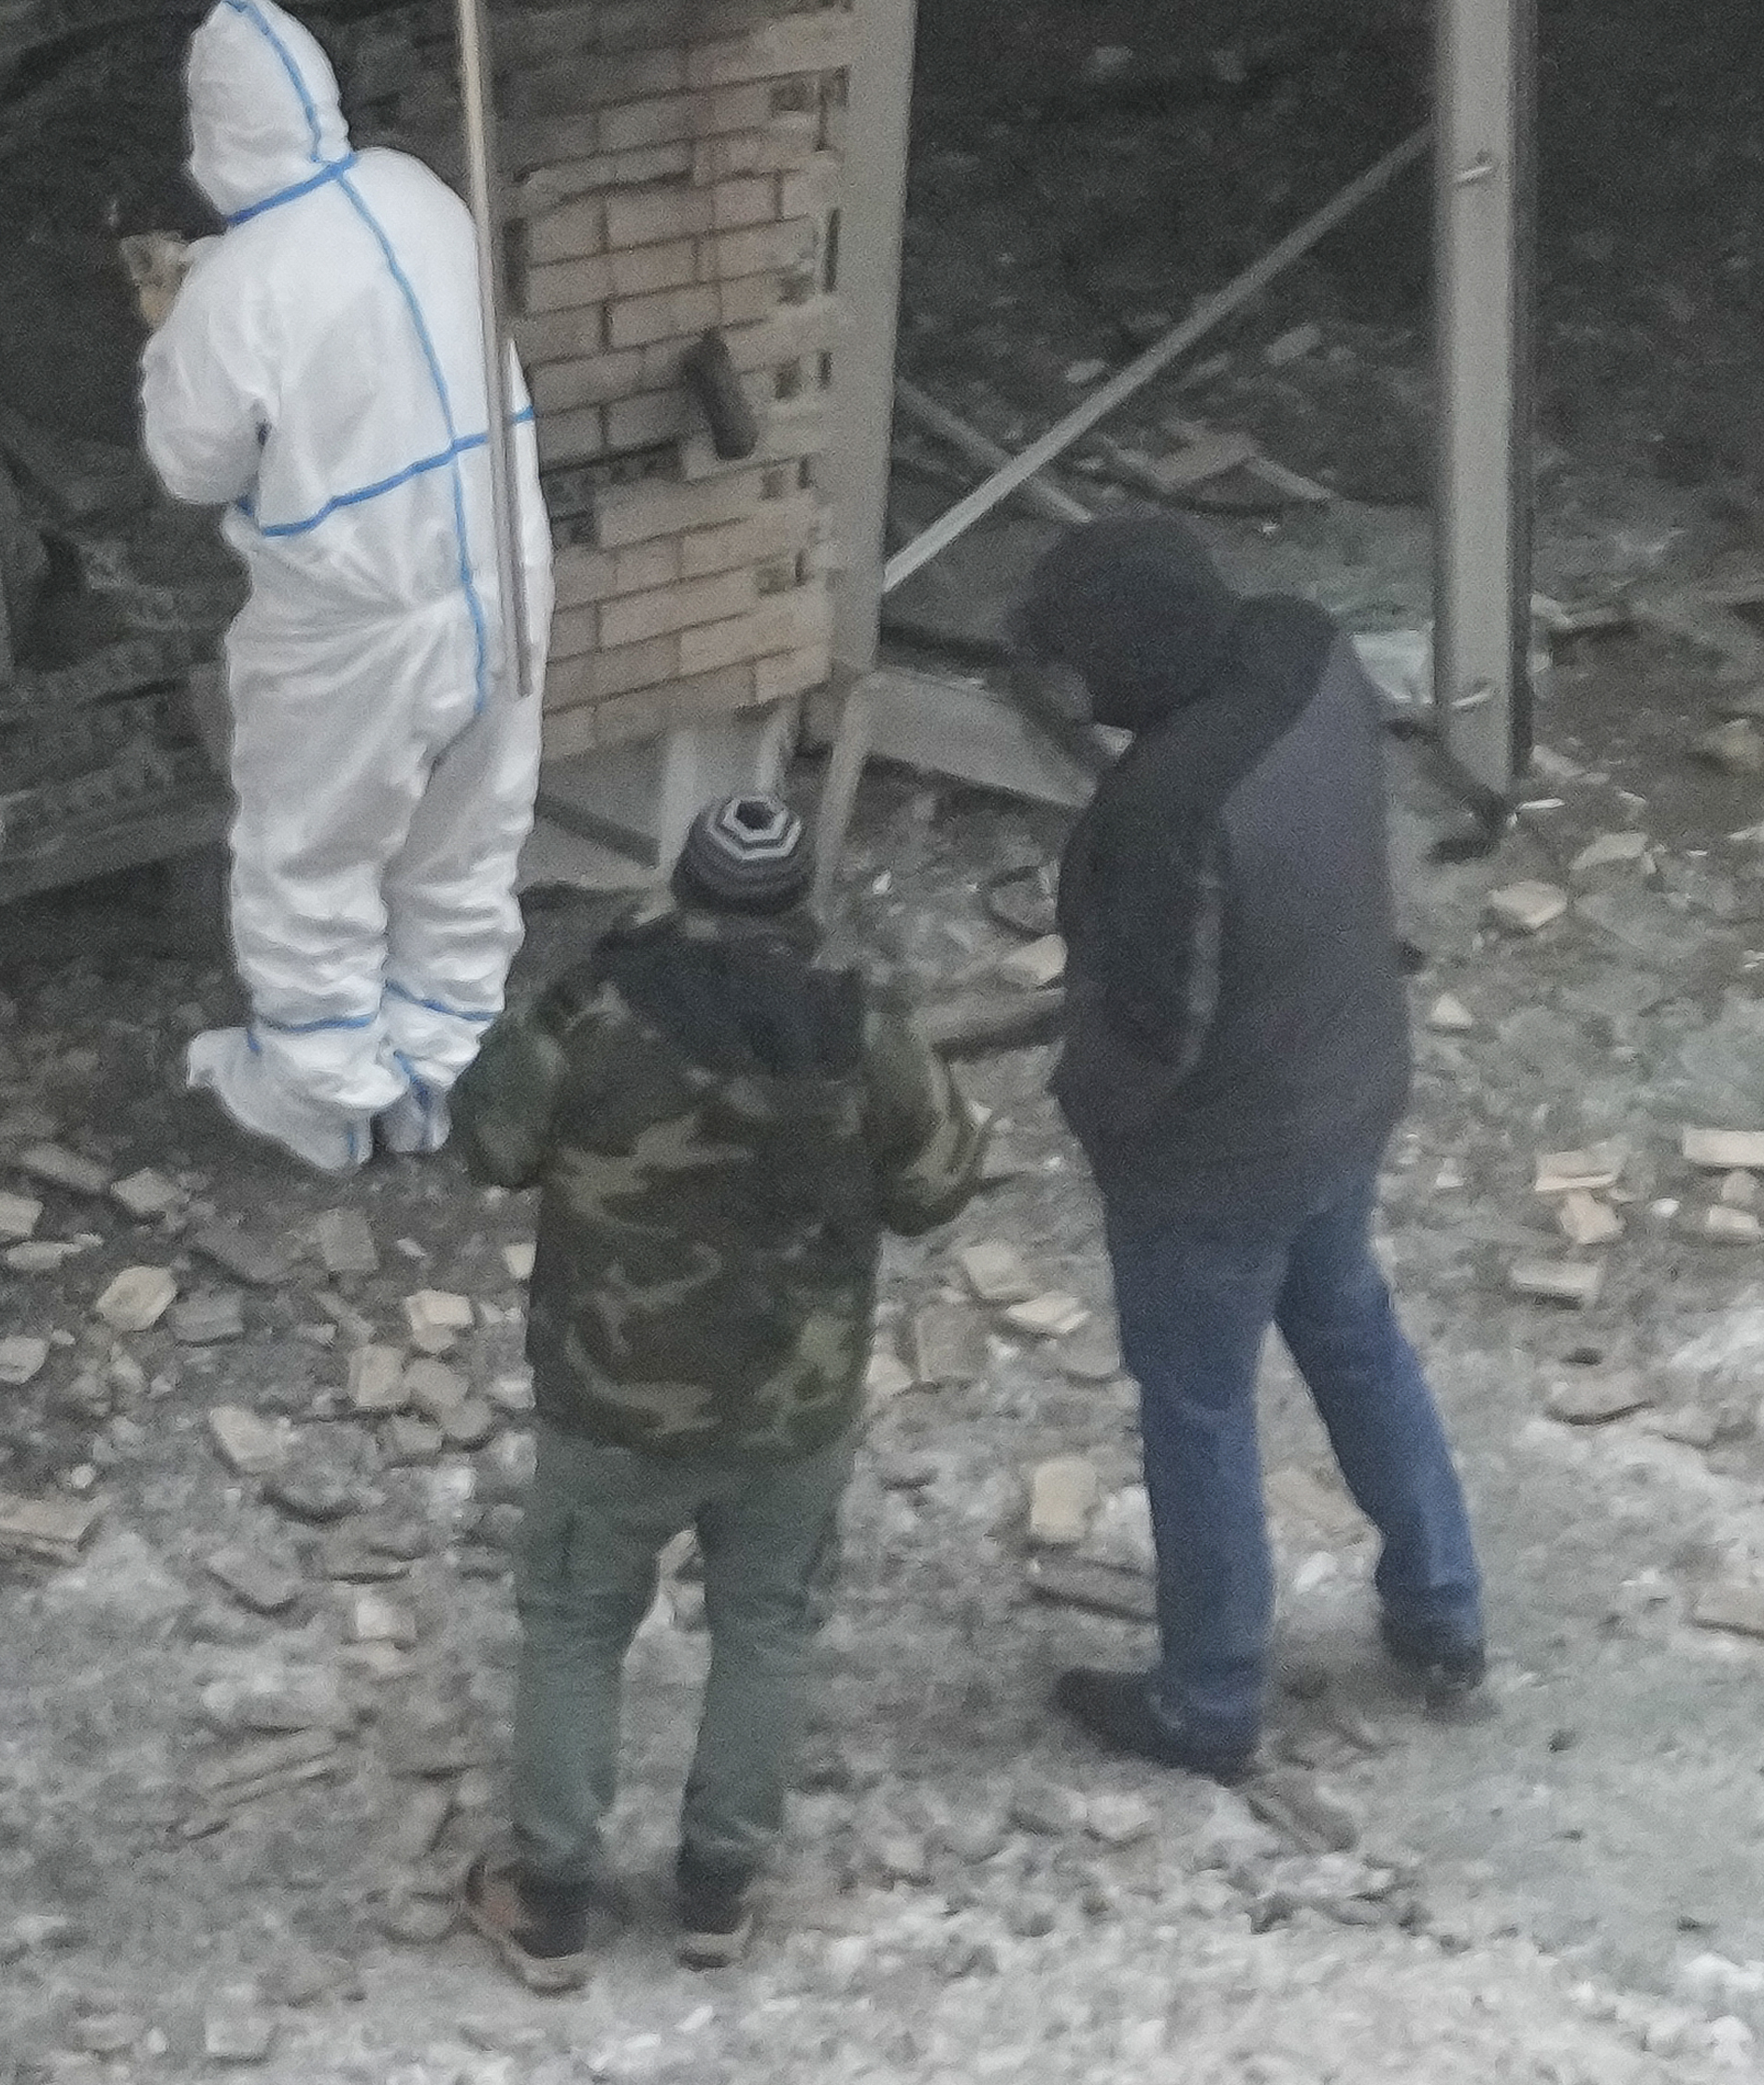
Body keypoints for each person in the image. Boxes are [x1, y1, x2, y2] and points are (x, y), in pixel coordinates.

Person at [448, 794, 983, 1988]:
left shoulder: (587, 1012)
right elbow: (941, 1182)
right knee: (766, 1627)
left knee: (579, 1627)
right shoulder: (861, 1026)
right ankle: (717, 1893)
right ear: (802, 907)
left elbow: (488, 1145)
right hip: (793, 1405)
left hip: (610, 1400)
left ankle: (550, 1903)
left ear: (682, 892)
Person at [1013, 515, 1485, 1779]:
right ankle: (1443, 1611)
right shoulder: (1307, 649)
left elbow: (1158, 1031)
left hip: (1219, 1161)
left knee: (1199, 1407)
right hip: (1347, 1081)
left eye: (1082, 664)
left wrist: (1094, 1121)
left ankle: (1210, 1696)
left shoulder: (1168, 805)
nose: (1078, 695)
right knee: (1352, 1331)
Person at [137, 0, 549, 1176]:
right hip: (502, 570)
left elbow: (189, 462)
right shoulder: (417, 194)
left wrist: (175, 326)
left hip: (358, 617)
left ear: (213, 134)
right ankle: (438, 1067)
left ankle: (320, 1096)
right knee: (466, 834)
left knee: (309, 848)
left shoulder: (237, 288)